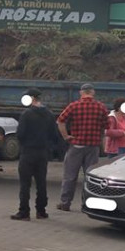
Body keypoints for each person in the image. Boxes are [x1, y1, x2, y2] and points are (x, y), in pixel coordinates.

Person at [56, 82, 108, 211]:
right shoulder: (101, 107)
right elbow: (106, 127)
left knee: (70, 176)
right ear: (93, 92)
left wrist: (66, 136)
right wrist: (101, 140)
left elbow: (60, 121)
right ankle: (88, 204)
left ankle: (65, 203)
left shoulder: (74, 106)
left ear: (81, 92)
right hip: (93, 147)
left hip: (76, 146)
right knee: (90, 178)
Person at [11, 87, 59, 221]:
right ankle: (41, 211)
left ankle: (24, 212)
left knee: (25, 184)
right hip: (42, 153)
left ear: (31, 98)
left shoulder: (26, 114)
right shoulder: (49, 114)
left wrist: (24, 144)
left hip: (28, 152)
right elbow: (54, 135)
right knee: (41, 183)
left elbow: (20, 134)